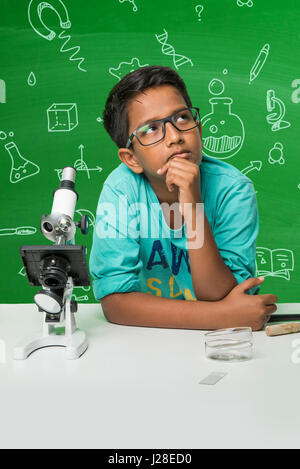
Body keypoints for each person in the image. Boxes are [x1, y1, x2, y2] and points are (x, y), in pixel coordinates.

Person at [89, 65, 277, 331]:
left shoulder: (233, 189)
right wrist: (219, 316)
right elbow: (115, 303)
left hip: (222, 343)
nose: (175, 136)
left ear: (198, 130)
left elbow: (221, 295)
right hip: (147, 341)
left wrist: (192, 205)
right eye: (151, 129)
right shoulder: (121, 191)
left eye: (182, 118)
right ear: (131, 159)